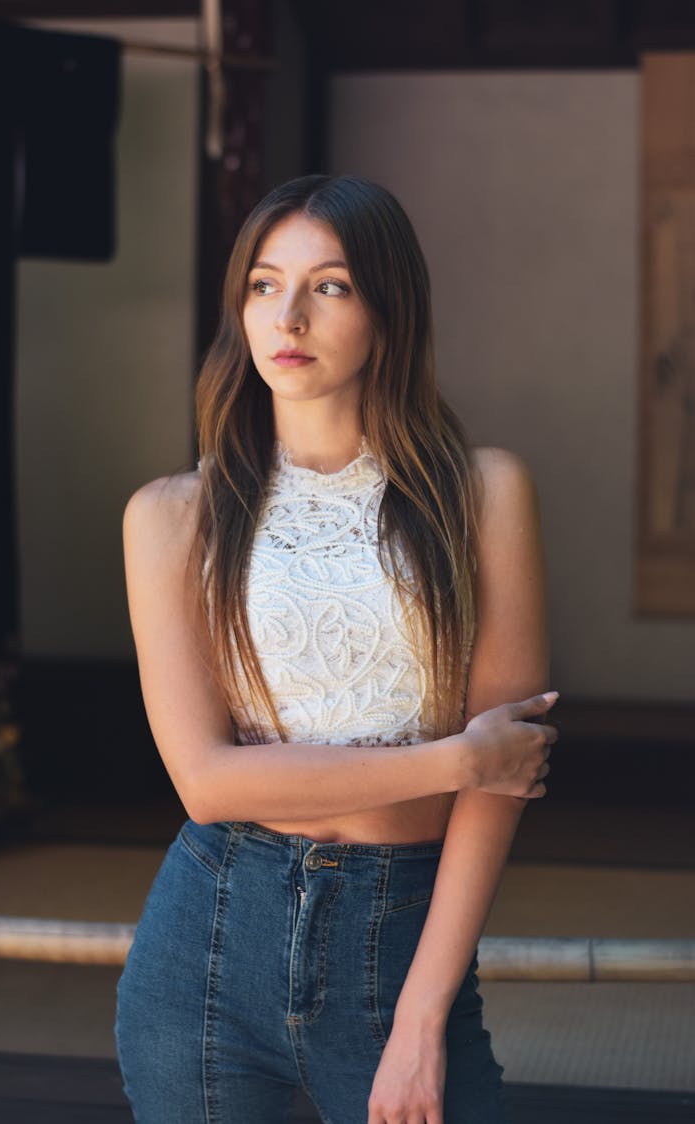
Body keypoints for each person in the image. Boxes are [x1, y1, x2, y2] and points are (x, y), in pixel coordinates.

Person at [115, 174, 557, 1124]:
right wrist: (459, 759)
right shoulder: (171, 517)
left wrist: (421, 1017)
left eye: (332, 286)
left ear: (388, 310)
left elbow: (498, 791)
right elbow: (206, 783)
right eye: (266, 285)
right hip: (208, 939)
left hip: (400, 931)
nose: (292, 316)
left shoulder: (482, 495)